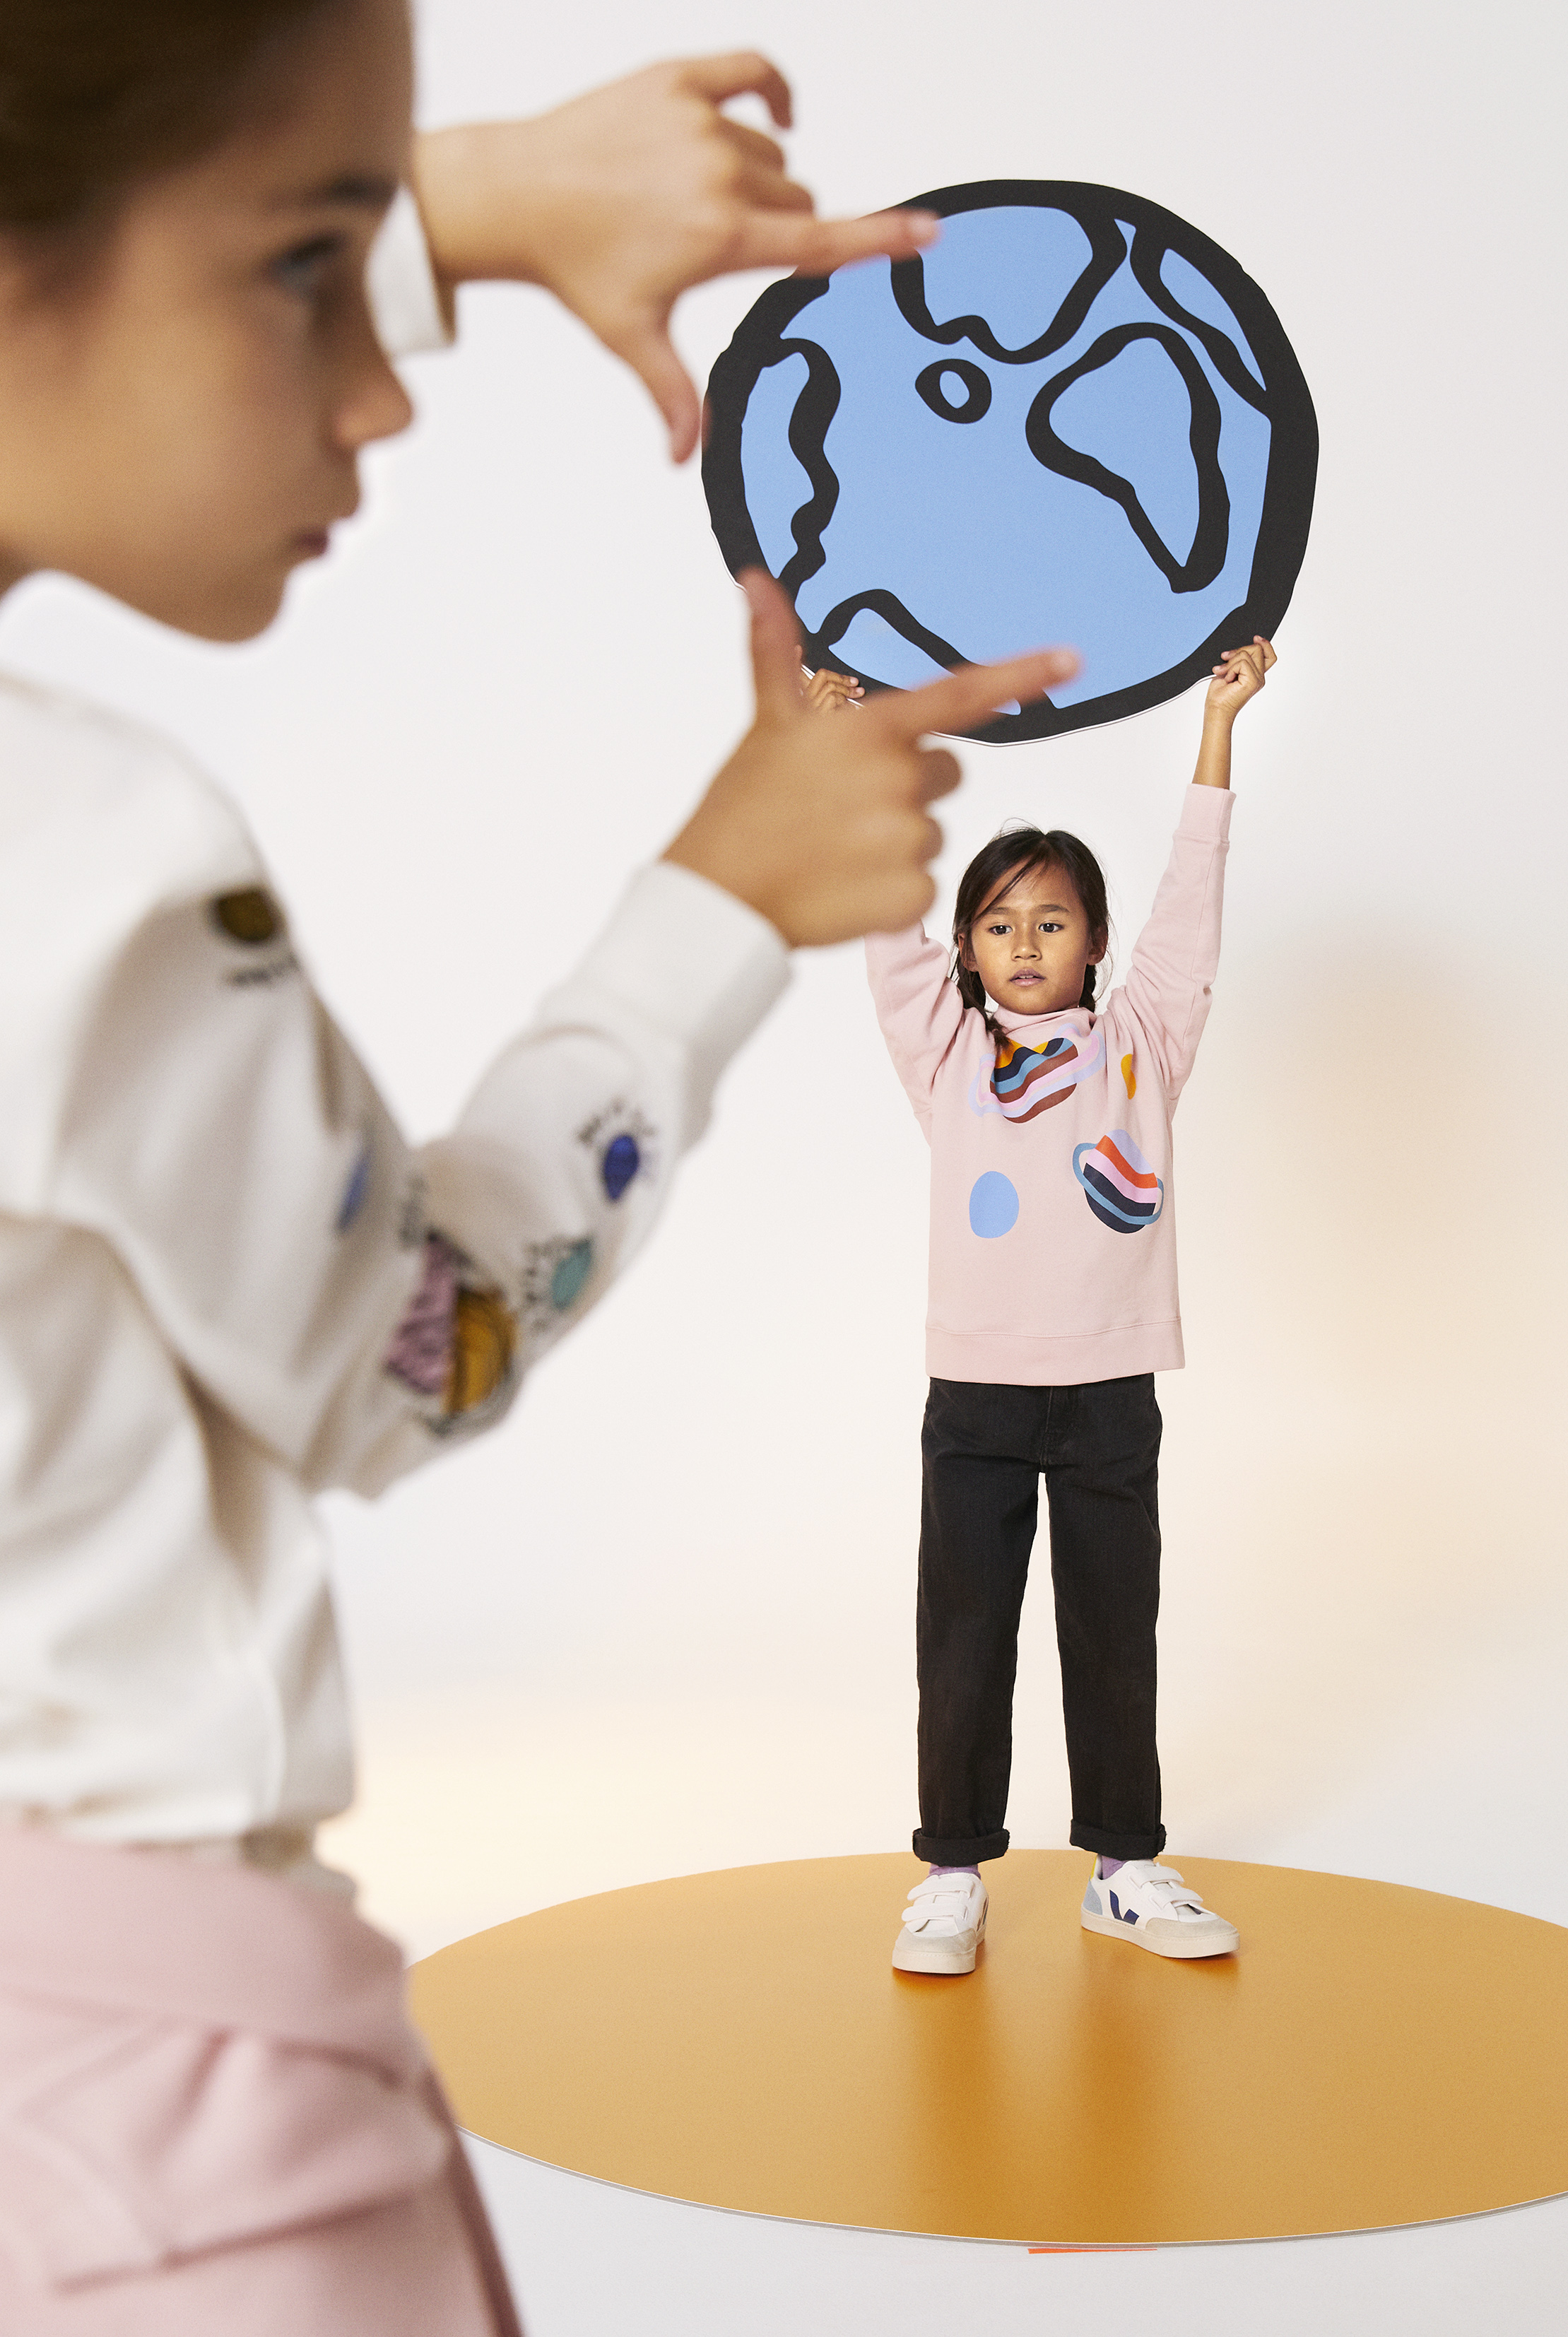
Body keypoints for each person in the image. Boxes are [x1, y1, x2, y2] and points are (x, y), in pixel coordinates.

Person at [0, 4, 1080, 2328]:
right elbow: (416, 1353)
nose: (382, 394)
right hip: (152, 2124)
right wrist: (720, 904)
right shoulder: (81, 874)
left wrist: (461, 206)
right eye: (304, 264)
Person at [864, 635, 1276, 1977]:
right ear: (966, 950)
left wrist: (1217, 726)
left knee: (1112, 1632)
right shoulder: (947, 1056)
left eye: (1052, 921)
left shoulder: (1141, 1041)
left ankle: (1123, 1866)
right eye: (998, 924)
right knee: (963, 1638)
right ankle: (949, 1875)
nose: (1025, 943)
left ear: (1095, 942)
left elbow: (1192, 909)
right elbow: (885, 923)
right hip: (977, 1395)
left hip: (1107, 1391)